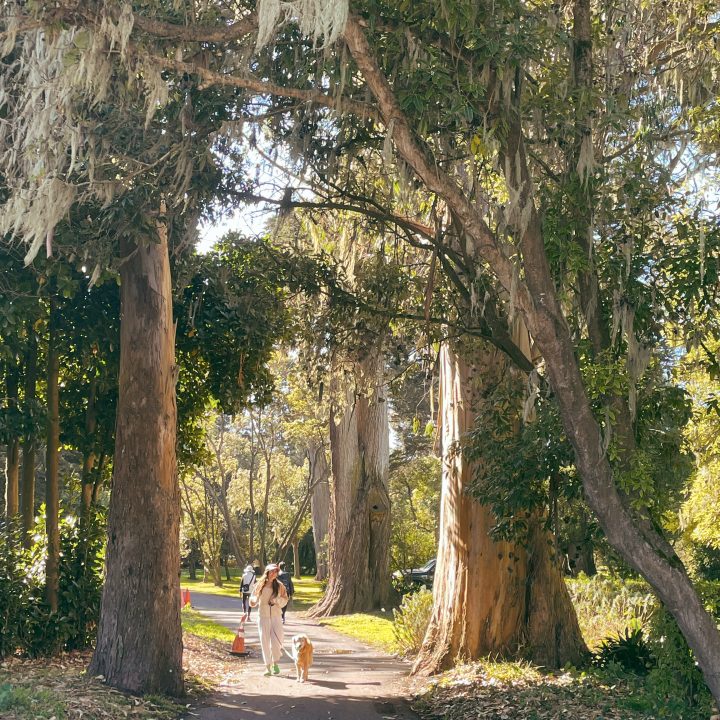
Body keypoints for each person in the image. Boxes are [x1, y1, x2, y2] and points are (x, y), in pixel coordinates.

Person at [249, 563, 288, 676]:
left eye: (275, 572)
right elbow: (253, 598)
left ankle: (275, 663)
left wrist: (276, 600)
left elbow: (285, 600)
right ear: (267, 572)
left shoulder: (280, 586)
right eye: (271, 571)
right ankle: (267, 666)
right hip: (263, 617)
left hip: (276, 616)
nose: (273, 574)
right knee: (265, 642)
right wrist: (253, 601)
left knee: (277, 642)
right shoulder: (260, 584)